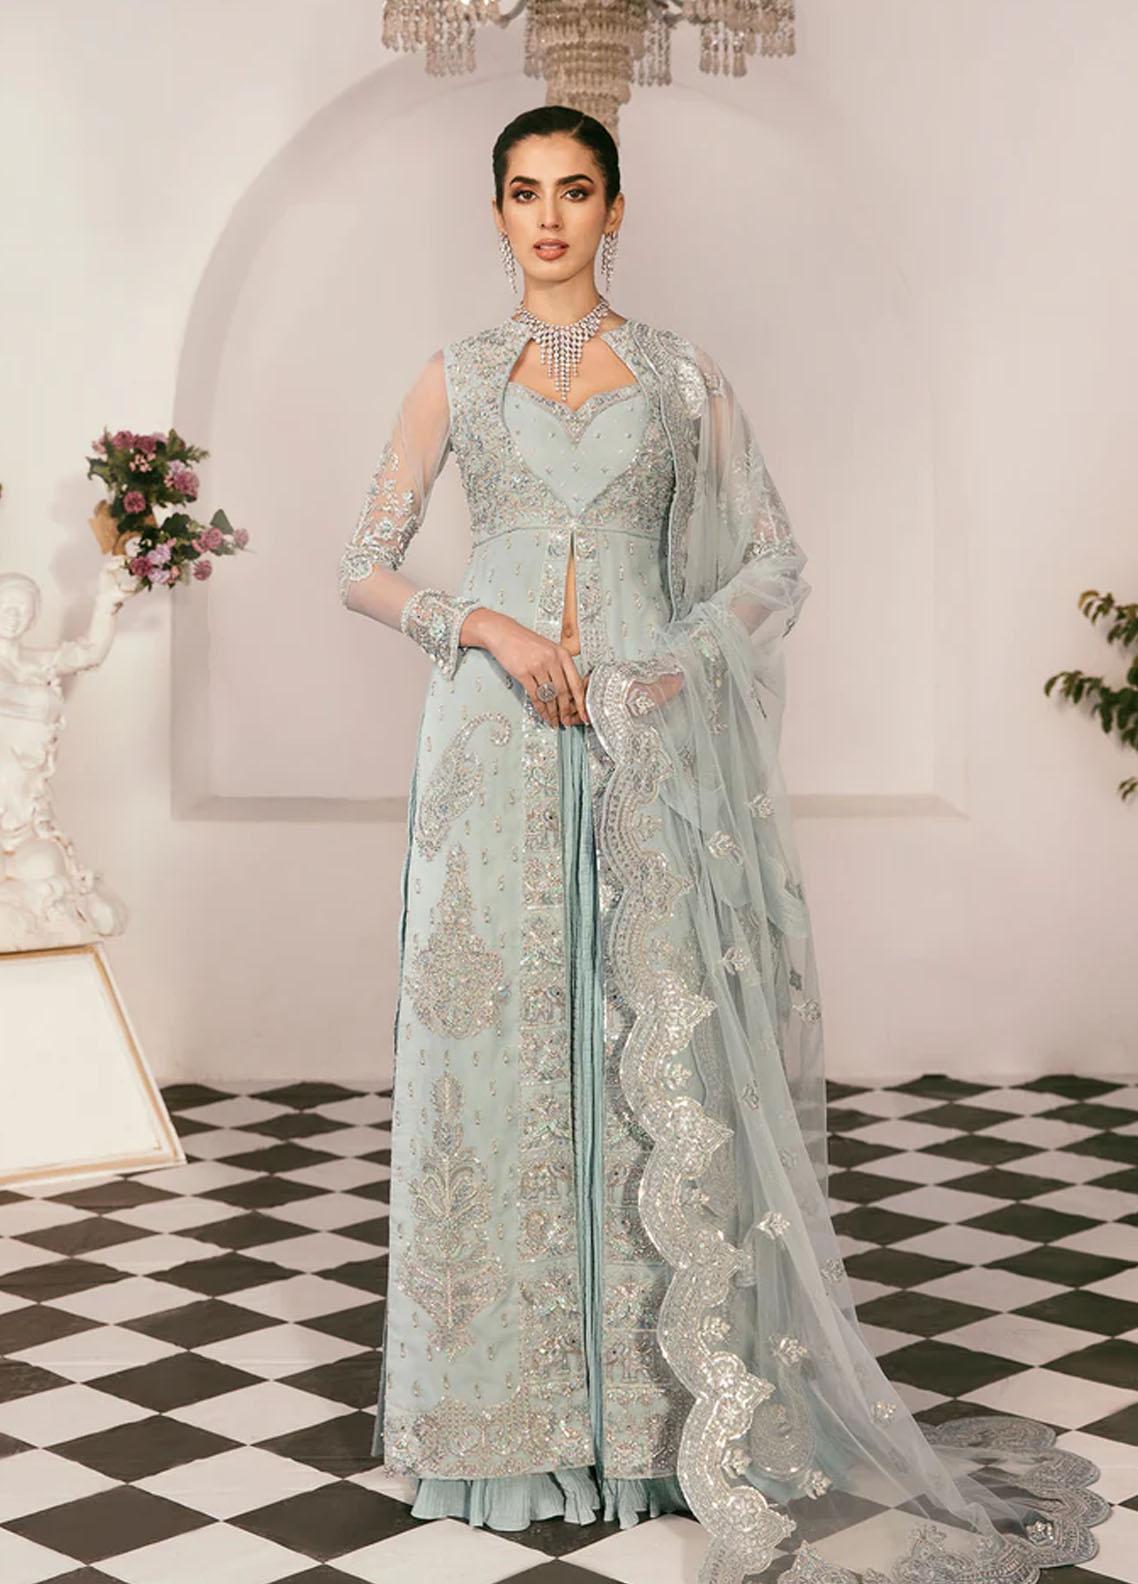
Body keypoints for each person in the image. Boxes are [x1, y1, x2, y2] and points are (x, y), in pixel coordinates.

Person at [338, 105, 1110, 1582]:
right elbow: (361, 567)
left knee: (661, 1060)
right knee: (494, 1061)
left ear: (614, 209)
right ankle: (499, 1427)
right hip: (492, 750)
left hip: (648, 747)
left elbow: (773, 559)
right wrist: (484, 624)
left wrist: (673, 665)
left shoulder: (685, 377)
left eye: (575, 190)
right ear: (492, 213)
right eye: (523, 192)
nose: (548, 216)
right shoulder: (455, 377)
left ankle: (658, 1432)